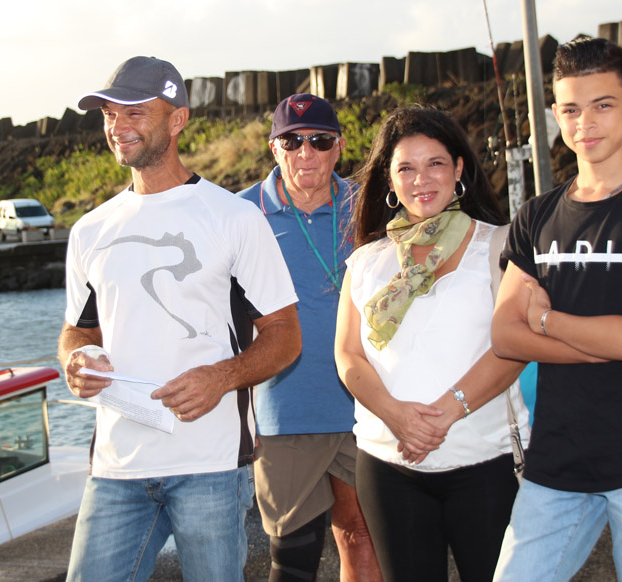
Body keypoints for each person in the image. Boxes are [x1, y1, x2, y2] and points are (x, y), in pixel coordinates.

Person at [59, 56, 302, 582]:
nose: (118, 127)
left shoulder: (235, 217)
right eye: (108, 113)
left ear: (177, 120)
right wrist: (75, 360)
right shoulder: (89, 230)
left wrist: (223, 376)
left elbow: (285, 337)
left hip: (209, 464)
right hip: (117, 466)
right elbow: (78, 330)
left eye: (135, 112)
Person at [490, 36, 622, 581]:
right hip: (555, 463)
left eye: (602, 104)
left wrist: (547, 321)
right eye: (570, 108)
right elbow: (504, 336)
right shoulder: (535, 217)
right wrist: (602, 340)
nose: (585, 122)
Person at [334, 105, 531, 582]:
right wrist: (397, 416)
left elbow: (516, 346)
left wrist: (446, 411)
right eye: (406, 167)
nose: (422, 179)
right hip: (387, 462)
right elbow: (348, 355)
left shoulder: (502, 245)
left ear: (459, 168)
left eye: (435, 163)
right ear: (390, 179)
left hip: (484, 459)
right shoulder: (366, 261)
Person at [238, 94, 381, 582]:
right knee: (293, 561)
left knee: (365, 538)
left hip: (365, 403)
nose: (306, 153)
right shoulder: (240, 214)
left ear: (338, 147)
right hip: (285, 410)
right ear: (274, 149)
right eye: (292, 141)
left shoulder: (368, 206)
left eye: (319, 141)